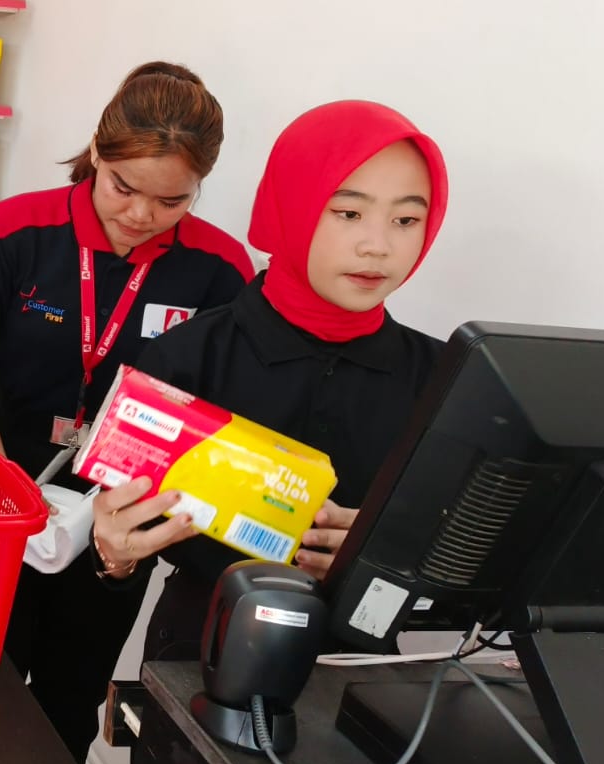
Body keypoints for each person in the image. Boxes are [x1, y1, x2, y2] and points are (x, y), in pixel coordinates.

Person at [0, 61, 254, 764]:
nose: (140, 216)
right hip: (4, 481)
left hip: (124, 517)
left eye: (172, 201)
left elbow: (228, 408)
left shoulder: (221, 270)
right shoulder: (17, 231)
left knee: (70, 697)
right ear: (97, 154)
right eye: (123, 187)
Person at [90, 100, 449, 663]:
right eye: (348, 213)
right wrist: (116, 557)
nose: (378, 245)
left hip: (363, 675)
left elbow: (471, 567)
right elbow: (124, 561)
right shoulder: (184, 362)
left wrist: (396, 557)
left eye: (406, 219)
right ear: (292, 206)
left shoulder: (444, 381)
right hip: (199, 660)